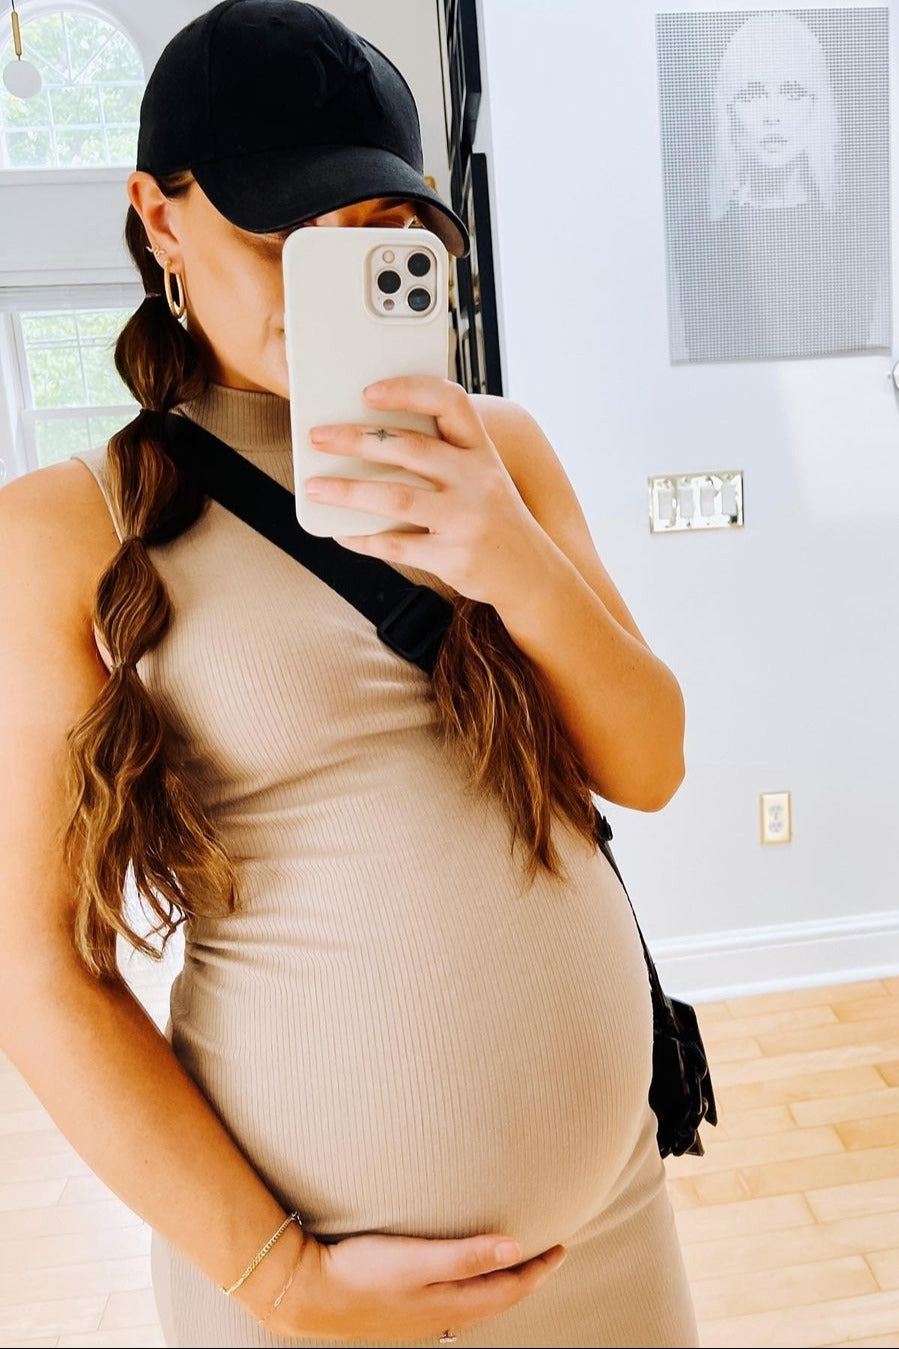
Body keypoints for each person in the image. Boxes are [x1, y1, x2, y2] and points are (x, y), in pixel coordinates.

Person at [0, 3, 696, 1346]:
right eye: (283, 236)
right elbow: (36, 966)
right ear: (158, 219)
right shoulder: (63, 528)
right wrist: (285, 1280)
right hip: (309, 1271)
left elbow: (651, 765)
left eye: (377, 233)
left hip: (603, 1220)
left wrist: (509, 557)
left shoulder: (498, 449)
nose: (332, 273)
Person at [666, 11, 888, 361]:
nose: (773, 116)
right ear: (727, 108)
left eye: (792, 92)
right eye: (752, 94)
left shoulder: (858, 230)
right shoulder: (695, 233)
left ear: (817, 104)